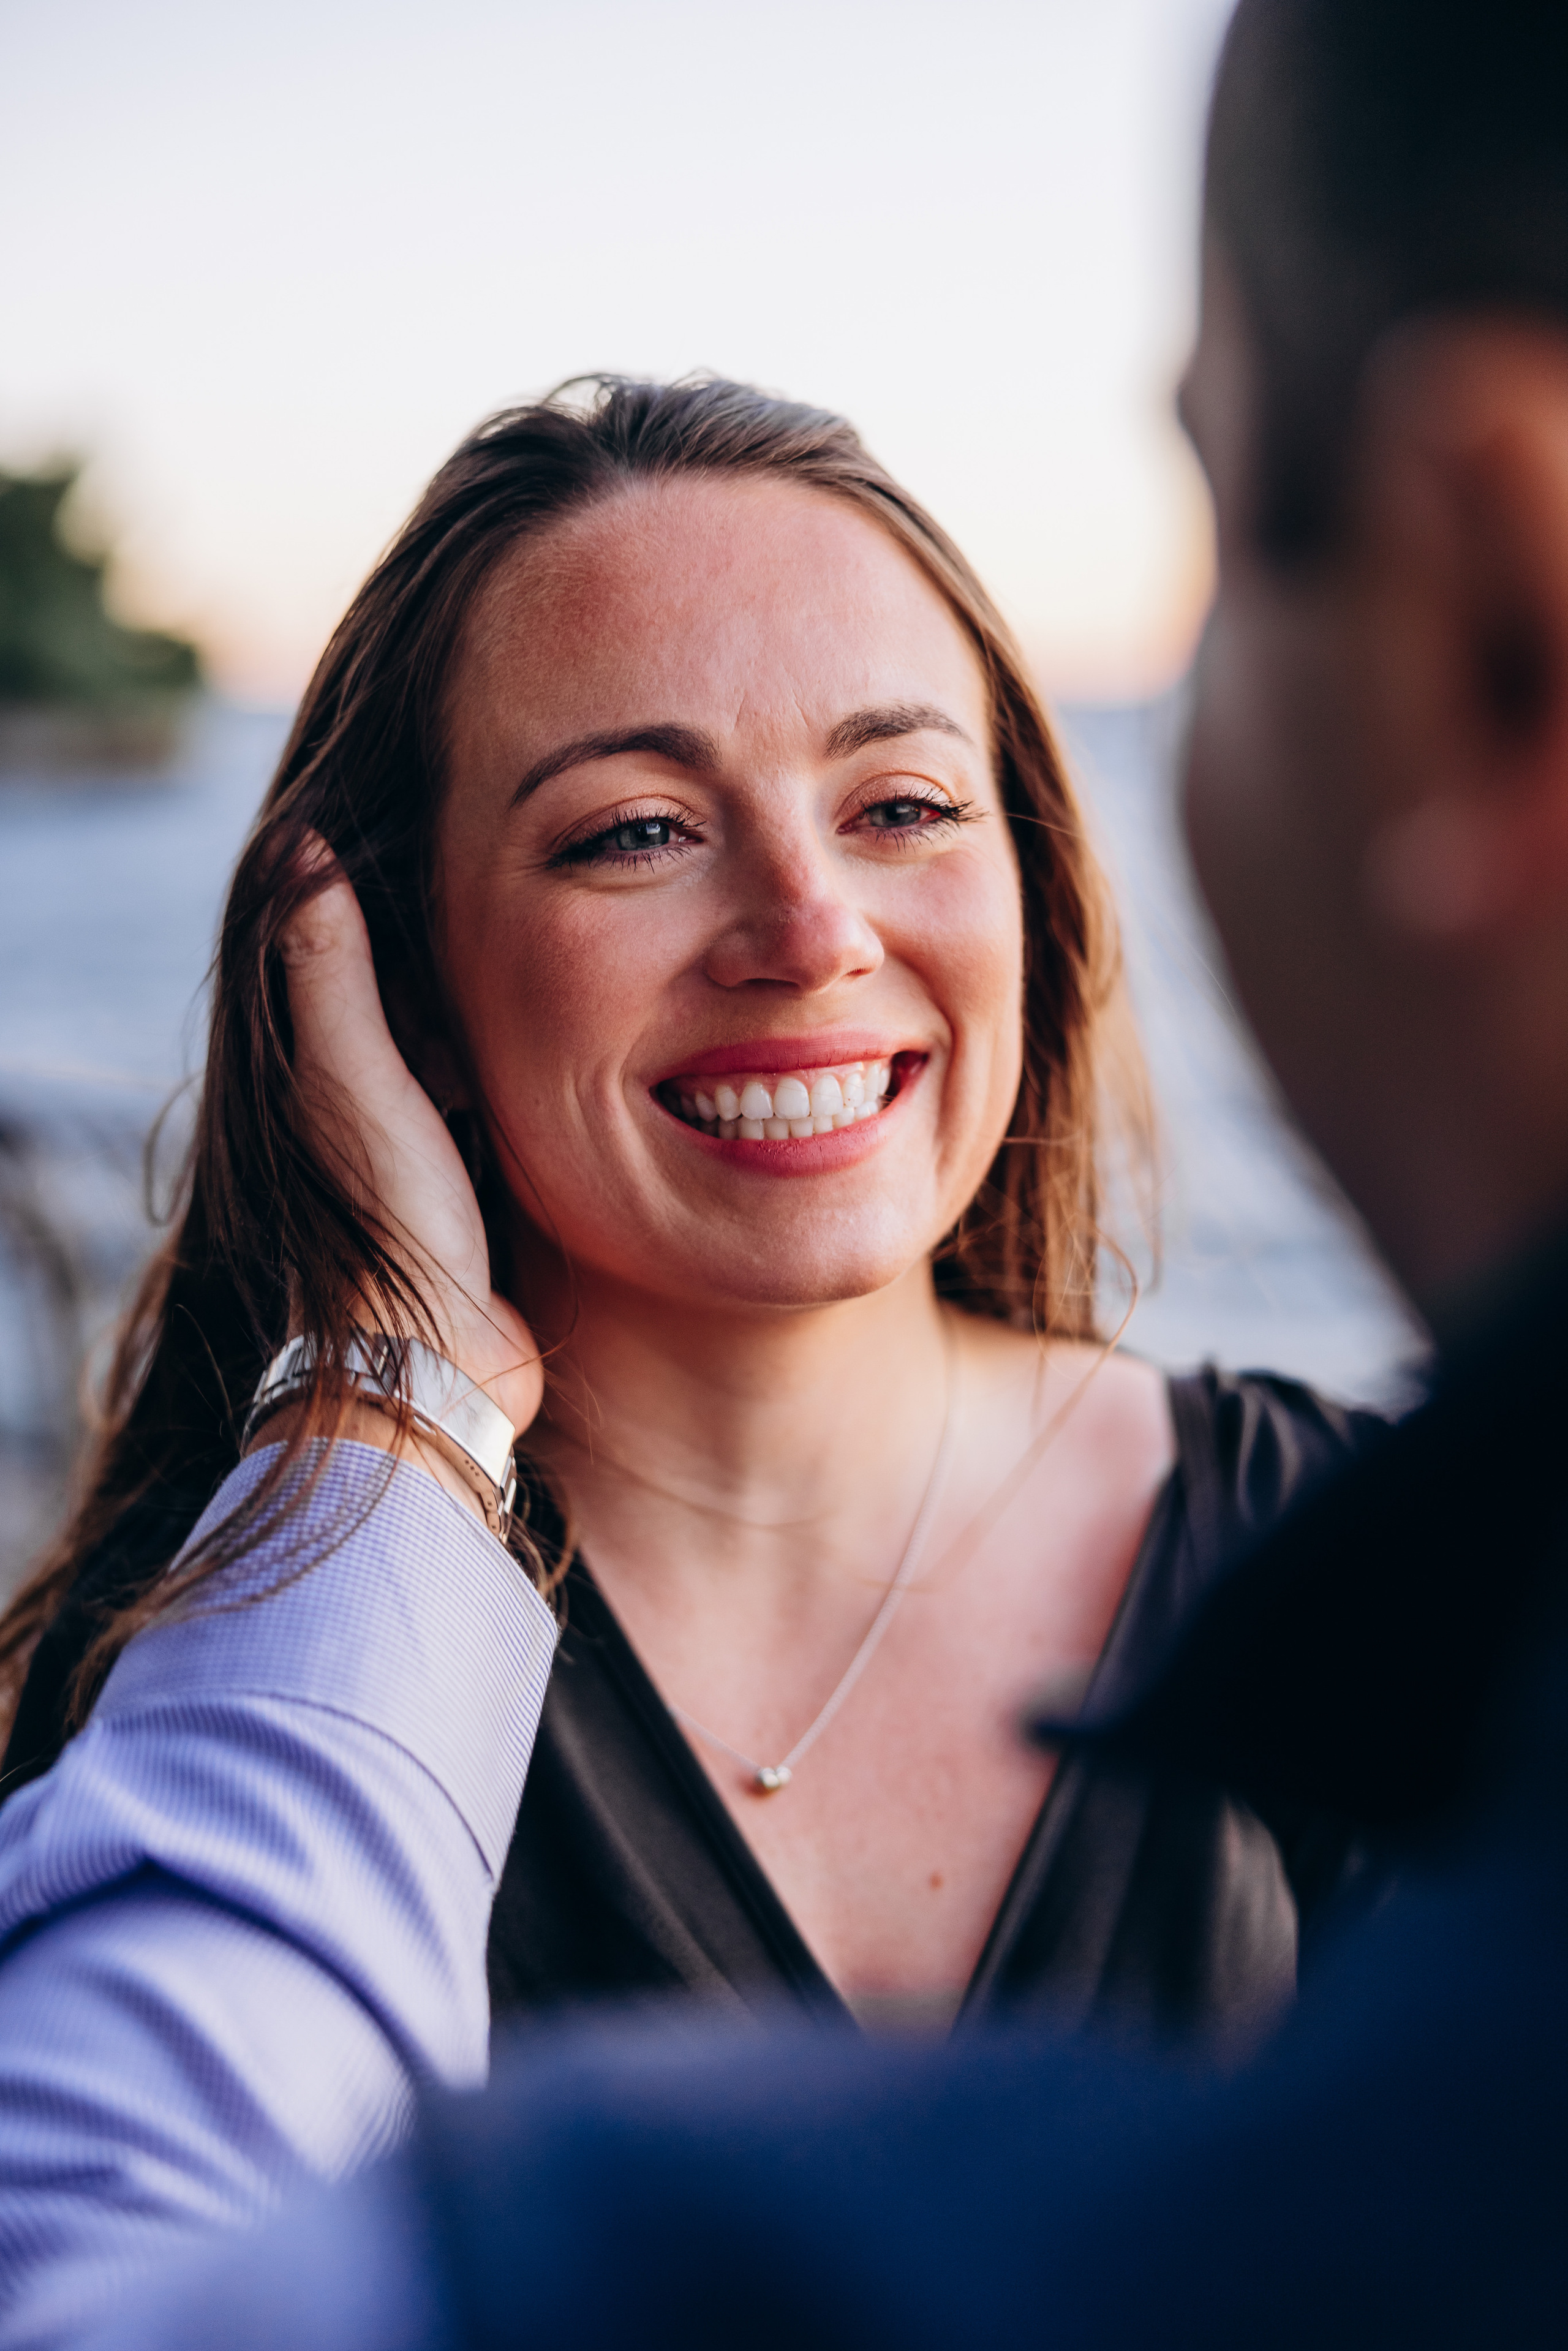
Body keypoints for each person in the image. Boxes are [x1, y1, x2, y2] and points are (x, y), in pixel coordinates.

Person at [58, 0, 1568, 2341]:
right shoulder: (186, 1684)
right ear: (386, 961)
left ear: (1034, 883)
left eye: (900, 803)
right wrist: (387, 1415)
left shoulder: (1392, 1608)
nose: (805, 931)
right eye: (637, 832)